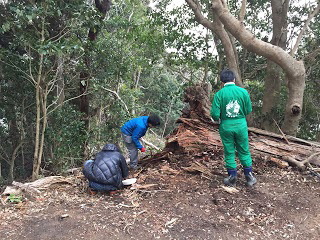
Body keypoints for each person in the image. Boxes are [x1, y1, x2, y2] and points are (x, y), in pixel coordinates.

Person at [210, 69, 257, 187]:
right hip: (241, 125)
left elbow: (215, 115)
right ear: (234, 79)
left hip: (226, 126)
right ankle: (249, 176)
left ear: (222, 82)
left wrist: (221, 117)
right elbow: (248, 110)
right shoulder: (243, 92)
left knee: (229, 151)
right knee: (244, 150)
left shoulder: (219, 94)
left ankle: (232, 177)